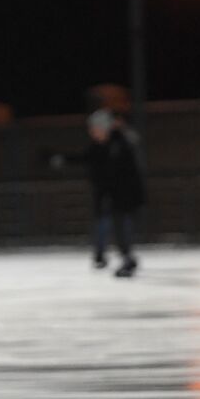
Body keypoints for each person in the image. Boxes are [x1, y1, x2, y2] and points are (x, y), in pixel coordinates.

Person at [82, 108, 144, 277]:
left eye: (96, 129)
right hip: (114, 195)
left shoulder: (119, 143)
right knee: (115, 226)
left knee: (120, 227)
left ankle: (127, 259)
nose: (93, 133)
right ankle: (122, 257)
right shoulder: (106, 145)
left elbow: (125, 172)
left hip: (124, 195)